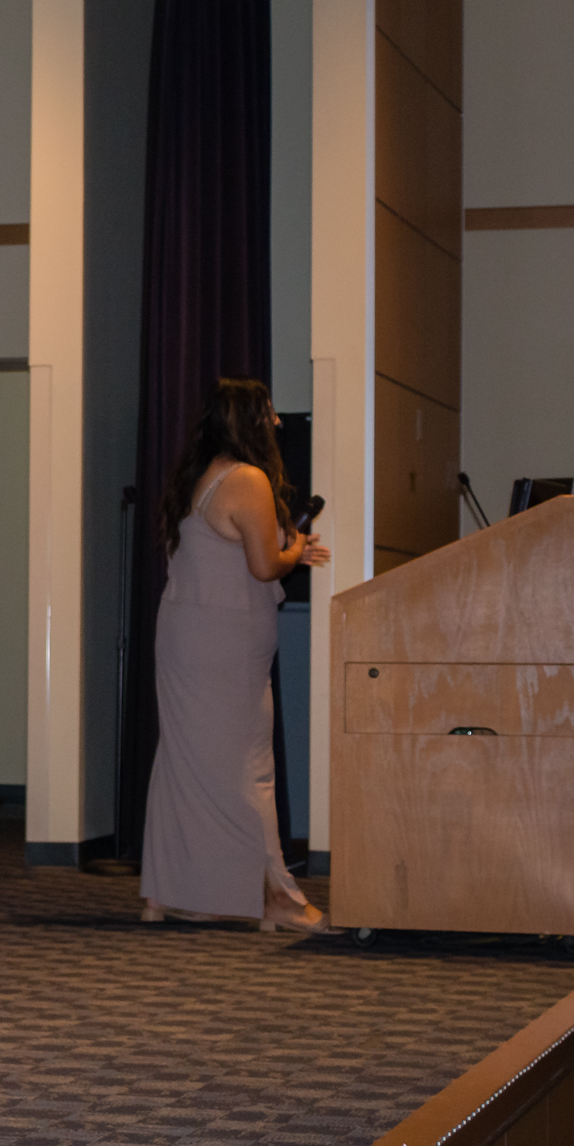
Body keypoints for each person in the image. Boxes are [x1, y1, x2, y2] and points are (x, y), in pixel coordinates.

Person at [140, 378, 332, 932]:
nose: (275, 423)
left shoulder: (203, 475)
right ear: (249, 419)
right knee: (249, 768)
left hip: (192, 630)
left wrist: (286, 549)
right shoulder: (247, 478)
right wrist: (294, 548)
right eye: (268, 413)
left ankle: (168, 893)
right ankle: (277, 897)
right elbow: (265, 566)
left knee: (187, 764)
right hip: (222, 639)